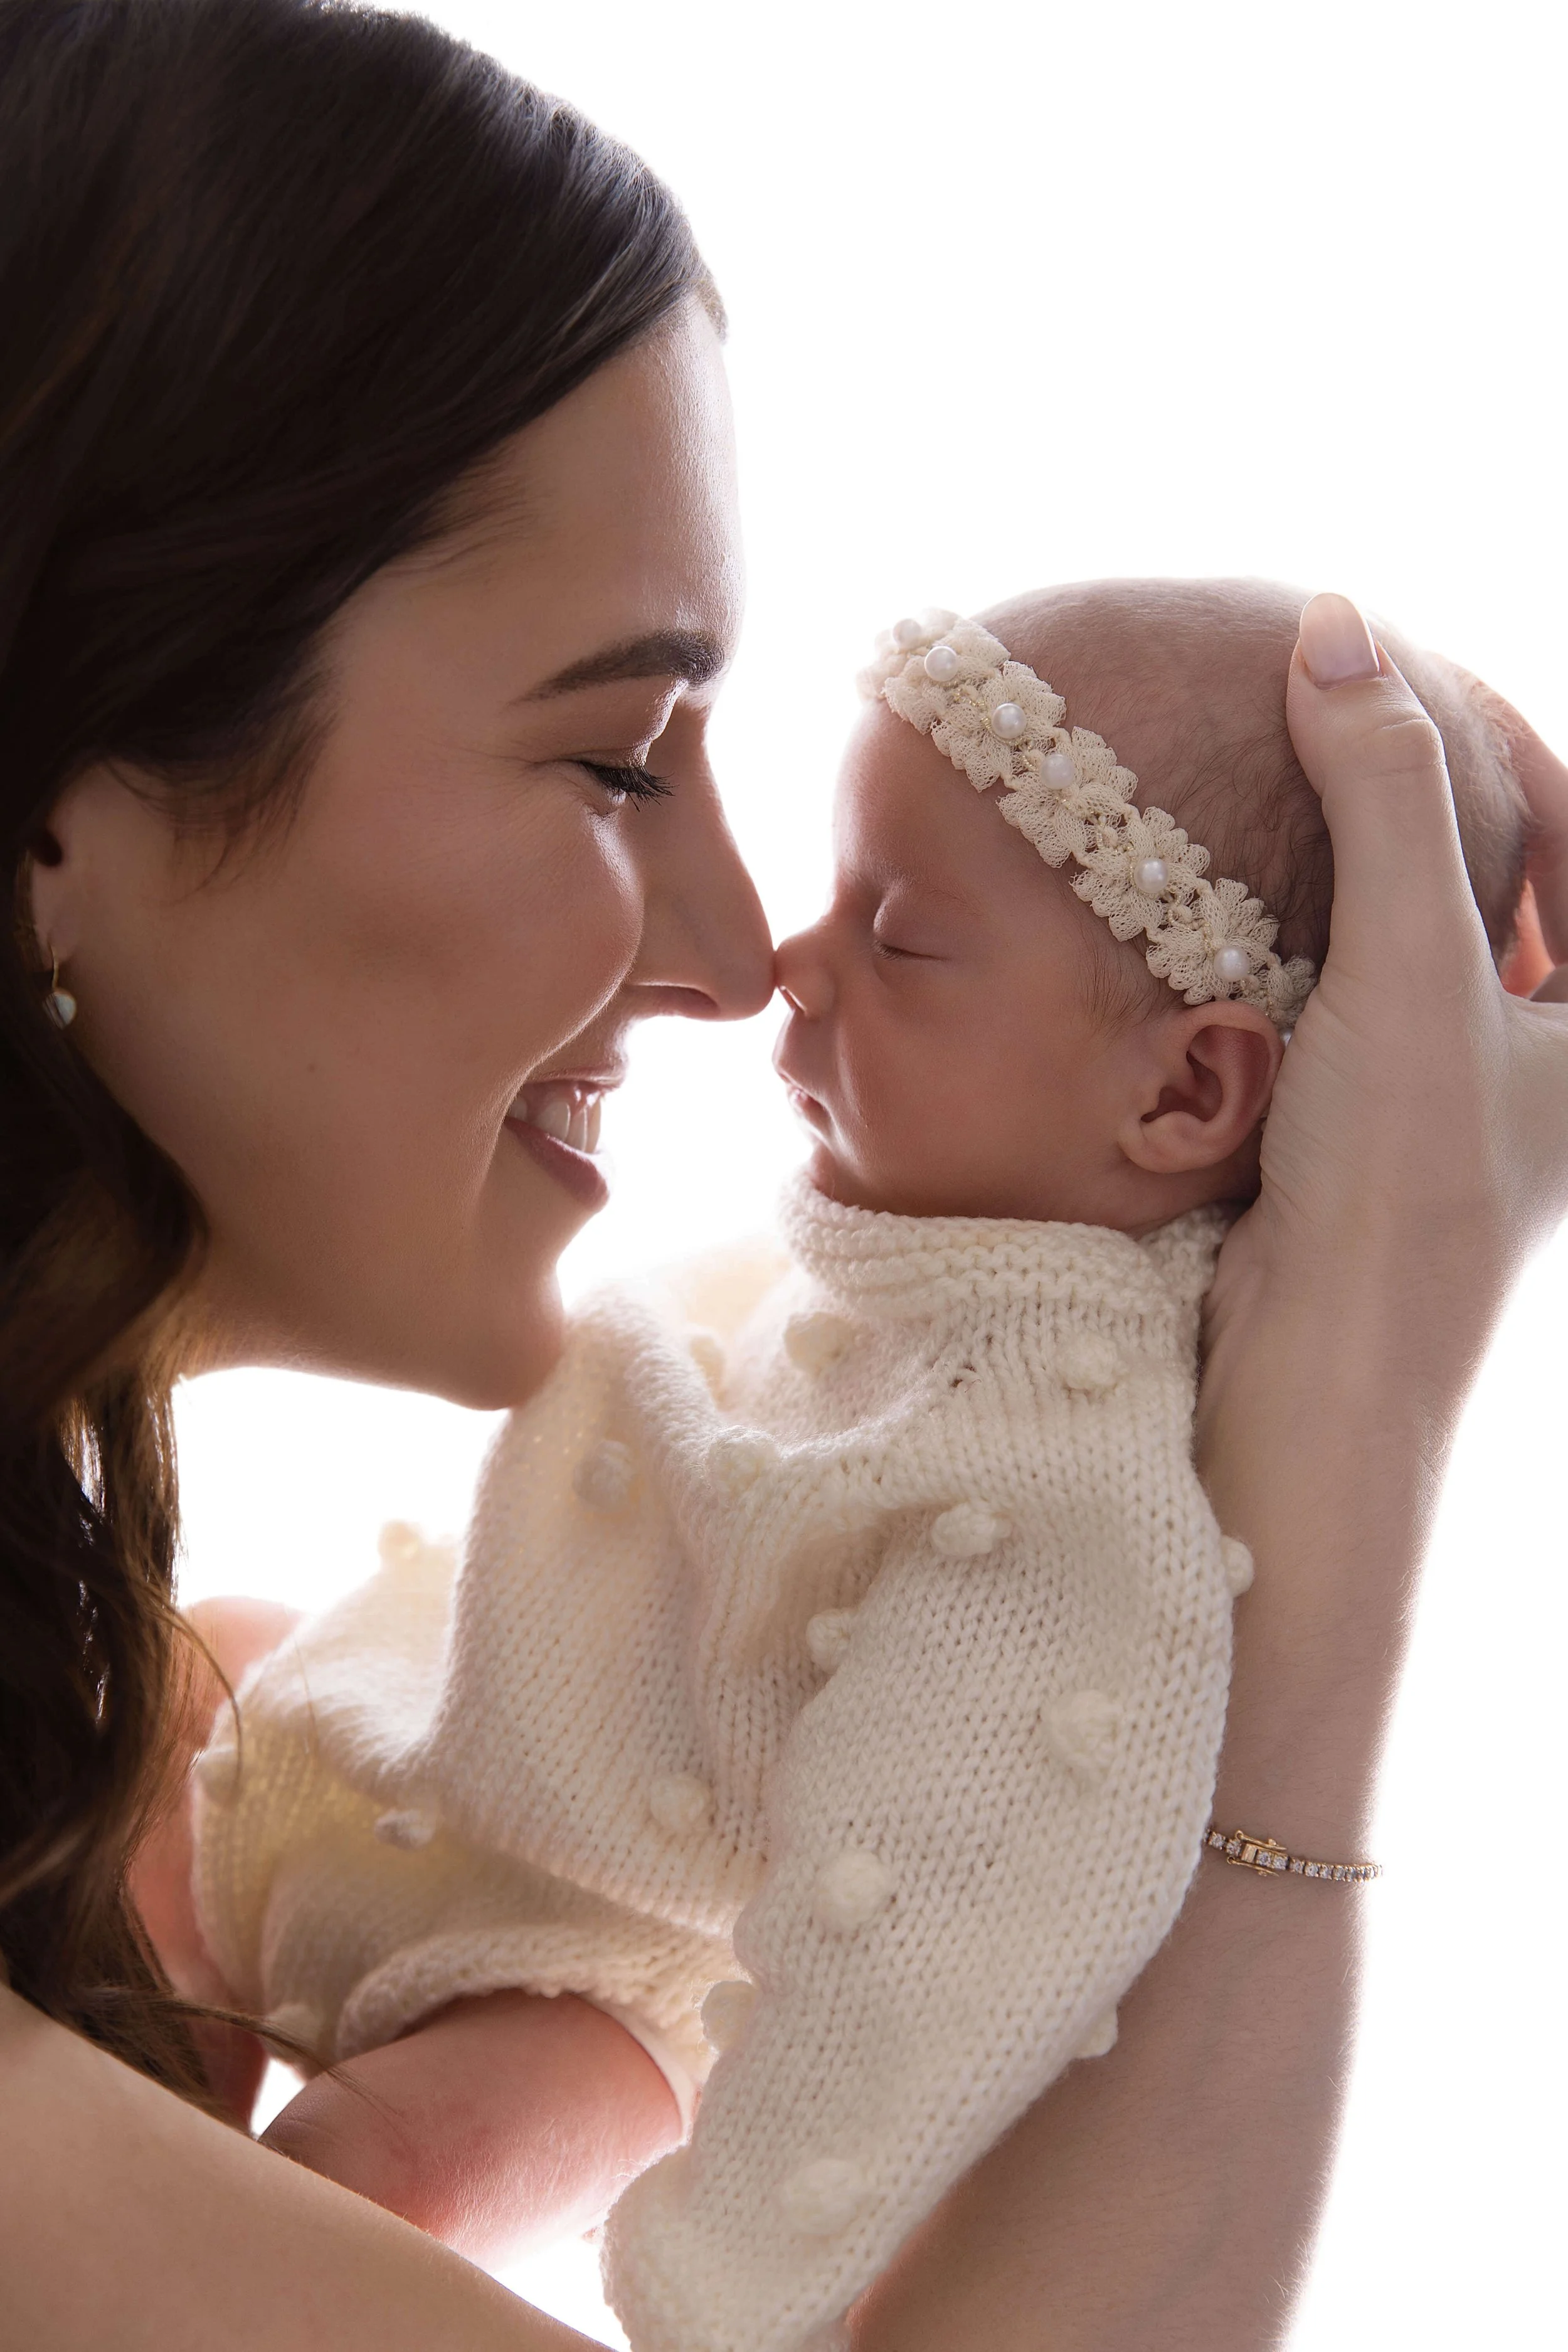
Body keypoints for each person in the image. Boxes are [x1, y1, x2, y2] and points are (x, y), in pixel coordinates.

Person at [1, 2, 1564, 2346]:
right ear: (54, 807)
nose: (747, 955)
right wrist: (1338, 1462)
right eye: (618, 753)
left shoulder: (150, 1727)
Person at [180, 578, 1534, 2352]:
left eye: (894, 938)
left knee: (347, 2192)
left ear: (1190, 1092)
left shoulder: (1061, 1495)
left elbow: (916, 1933)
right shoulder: (918, 1258)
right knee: (186, 1686)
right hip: (425, 1735)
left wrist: (744, 2263)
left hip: (582, 1964)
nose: (782, 968)